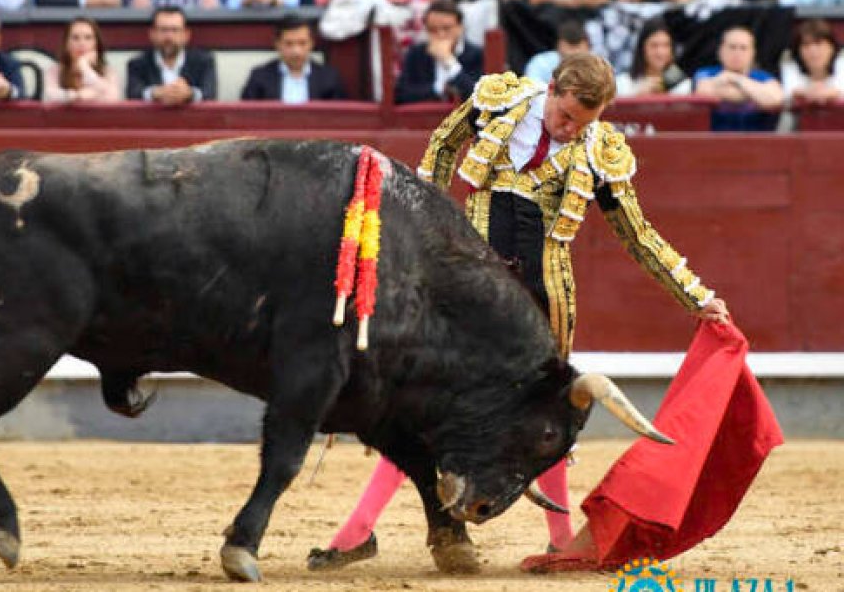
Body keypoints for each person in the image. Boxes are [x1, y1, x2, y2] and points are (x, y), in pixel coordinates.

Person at [307, 53, 730, 574]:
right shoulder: (497, 102)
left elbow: (638, 236)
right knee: (421, 408)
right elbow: (440, 149)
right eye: (566, 116)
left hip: (541, 302)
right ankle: (358, 531)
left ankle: (558, 541)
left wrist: (696, 295)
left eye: (583, 123)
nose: (571, 130)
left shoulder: (600, 150)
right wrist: (418, 235)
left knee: (546, 414)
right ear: (551, 89)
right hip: (471, 293)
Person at [693, 26, 784, 131]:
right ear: (720, 50)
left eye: (743, 48)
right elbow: (704, 91)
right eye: (732, 47)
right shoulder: (706, 73)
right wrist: (756, 96)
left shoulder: (763, 77)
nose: (737, 53)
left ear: (752, 53)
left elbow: (775, 99)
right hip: (714, 143)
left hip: (755, 143)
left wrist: (736, 79)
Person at [394, 0, 483, 104]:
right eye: (433, 30)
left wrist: (449, 62)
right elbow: (401, 94)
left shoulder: (477, 54)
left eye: (447, 28)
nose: (441, 35)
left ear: (460, 27)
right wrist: (438, 89)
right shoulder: (416, 54)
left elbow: (479, 96)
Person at [240, 15, 348, 102]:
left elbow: (337, 119)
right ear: (277, 44)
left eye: (302, 43)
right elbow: (247, 116)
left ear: (311, 44)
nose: (296, 51)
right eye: (289, 44)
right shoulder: (260, 76)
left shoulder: (329, 77)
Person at [126, 6, 217, 103]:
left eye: (175, 30)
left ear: (186, 35)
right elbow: (133, 94)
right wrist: (155, 93)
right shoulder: (137, 64)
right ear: (152, 34)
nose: (169, 37)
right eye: (163, 30)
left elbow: (210, 94)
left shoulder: (204, 62)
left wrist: (189, 94)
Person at [44, 17, 122, 103]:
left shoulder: (108, 72)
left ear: (96, 43)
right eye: (75, 38)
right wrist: (77, 96)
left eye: (88, 38)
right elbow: (51, 96)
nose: (82, 43)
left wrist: (84, 67)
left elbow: (113, 98)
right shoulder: (55, 71)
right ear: (66, 44)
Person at [614, 20, 691, 97]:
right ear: (642, 48)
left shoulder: (683, 84)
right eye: (654, 45)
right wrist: (638, 95)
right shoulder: (622, 83)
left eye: (666, 45)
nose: (660, 52)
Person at [782, 19, 844, 104]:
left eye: (818, 44)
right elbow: (788, 93)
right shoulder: (789, 68)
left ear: (832, 47)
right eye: (806, 45)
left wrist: (830, 93)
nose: (813, 51)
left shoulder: (841, 64)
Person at [523, 20, 590, 84]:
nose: (574, 53)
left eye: (577, 47)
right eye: (570, 47)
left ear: (588, 46)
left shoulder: (598, 65)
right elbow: (533, 88)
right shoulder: (540, 63)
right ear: (558, 45)